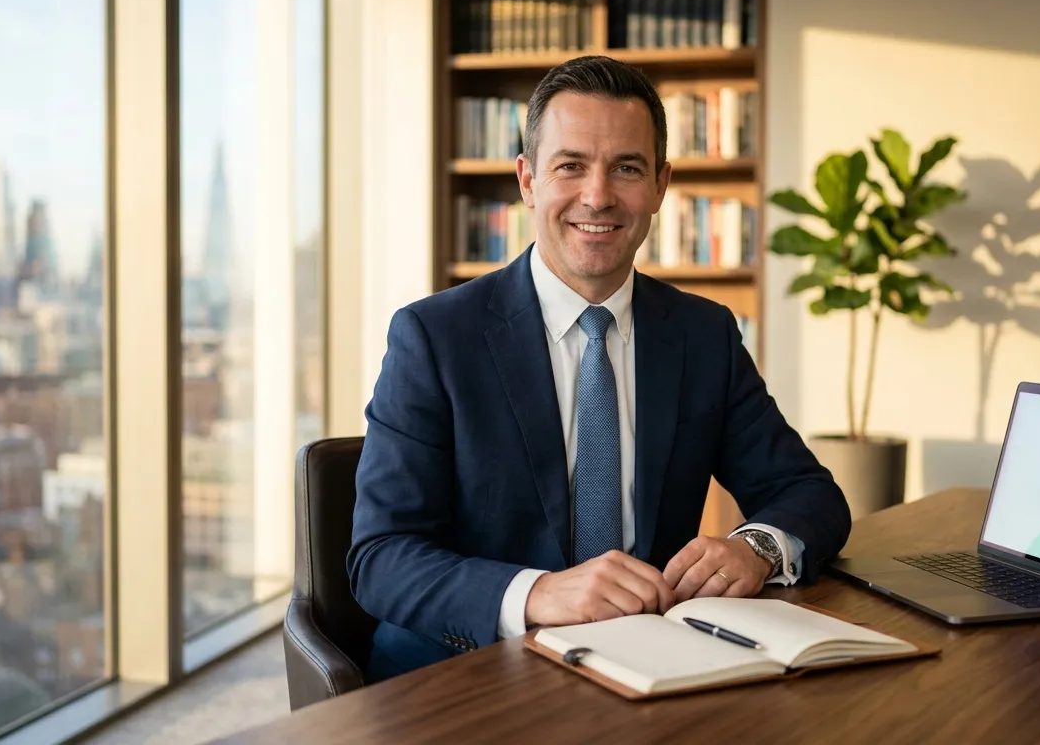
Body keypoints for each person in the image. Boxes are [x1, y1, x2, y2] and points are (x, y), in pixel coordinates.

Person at [348, 55, 851, 683]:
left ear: (662, 185)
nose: (598, 196)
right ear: (528, 180)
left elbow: (810, 495)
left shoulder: (704, 335)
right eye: (571, 166)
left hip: (652, 668)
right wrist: (537, 595)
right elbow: (382, 558)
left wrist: (755, 547)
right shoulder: (434, 337)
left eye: (627, 168)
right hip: (466, 675)